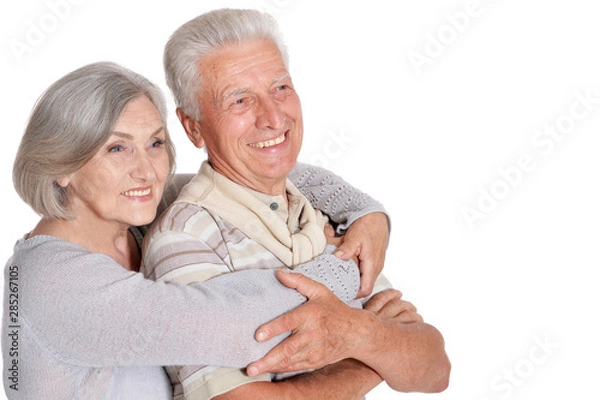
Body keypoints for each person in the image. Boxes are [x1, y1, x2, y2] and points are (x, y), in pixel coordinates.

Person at [1, 61, 402, 399]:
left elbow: (257, 173)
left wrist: (366, 213)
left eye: (155, 143)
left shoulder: (133, 210)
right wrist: (346, 268)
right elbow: (237, 329)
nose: (147, 170)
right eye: (116, 148)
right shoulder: (54, 284)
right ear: (62, 165)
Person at [142, 8, 450, 400]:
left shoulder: (320, 213)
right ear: (193, 127)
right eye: (239, 100)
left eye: (280, 88)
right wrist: (372, 357)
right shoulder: (184, 238)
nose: (273, 117)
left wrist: (357, 334)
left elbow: (435, 369)